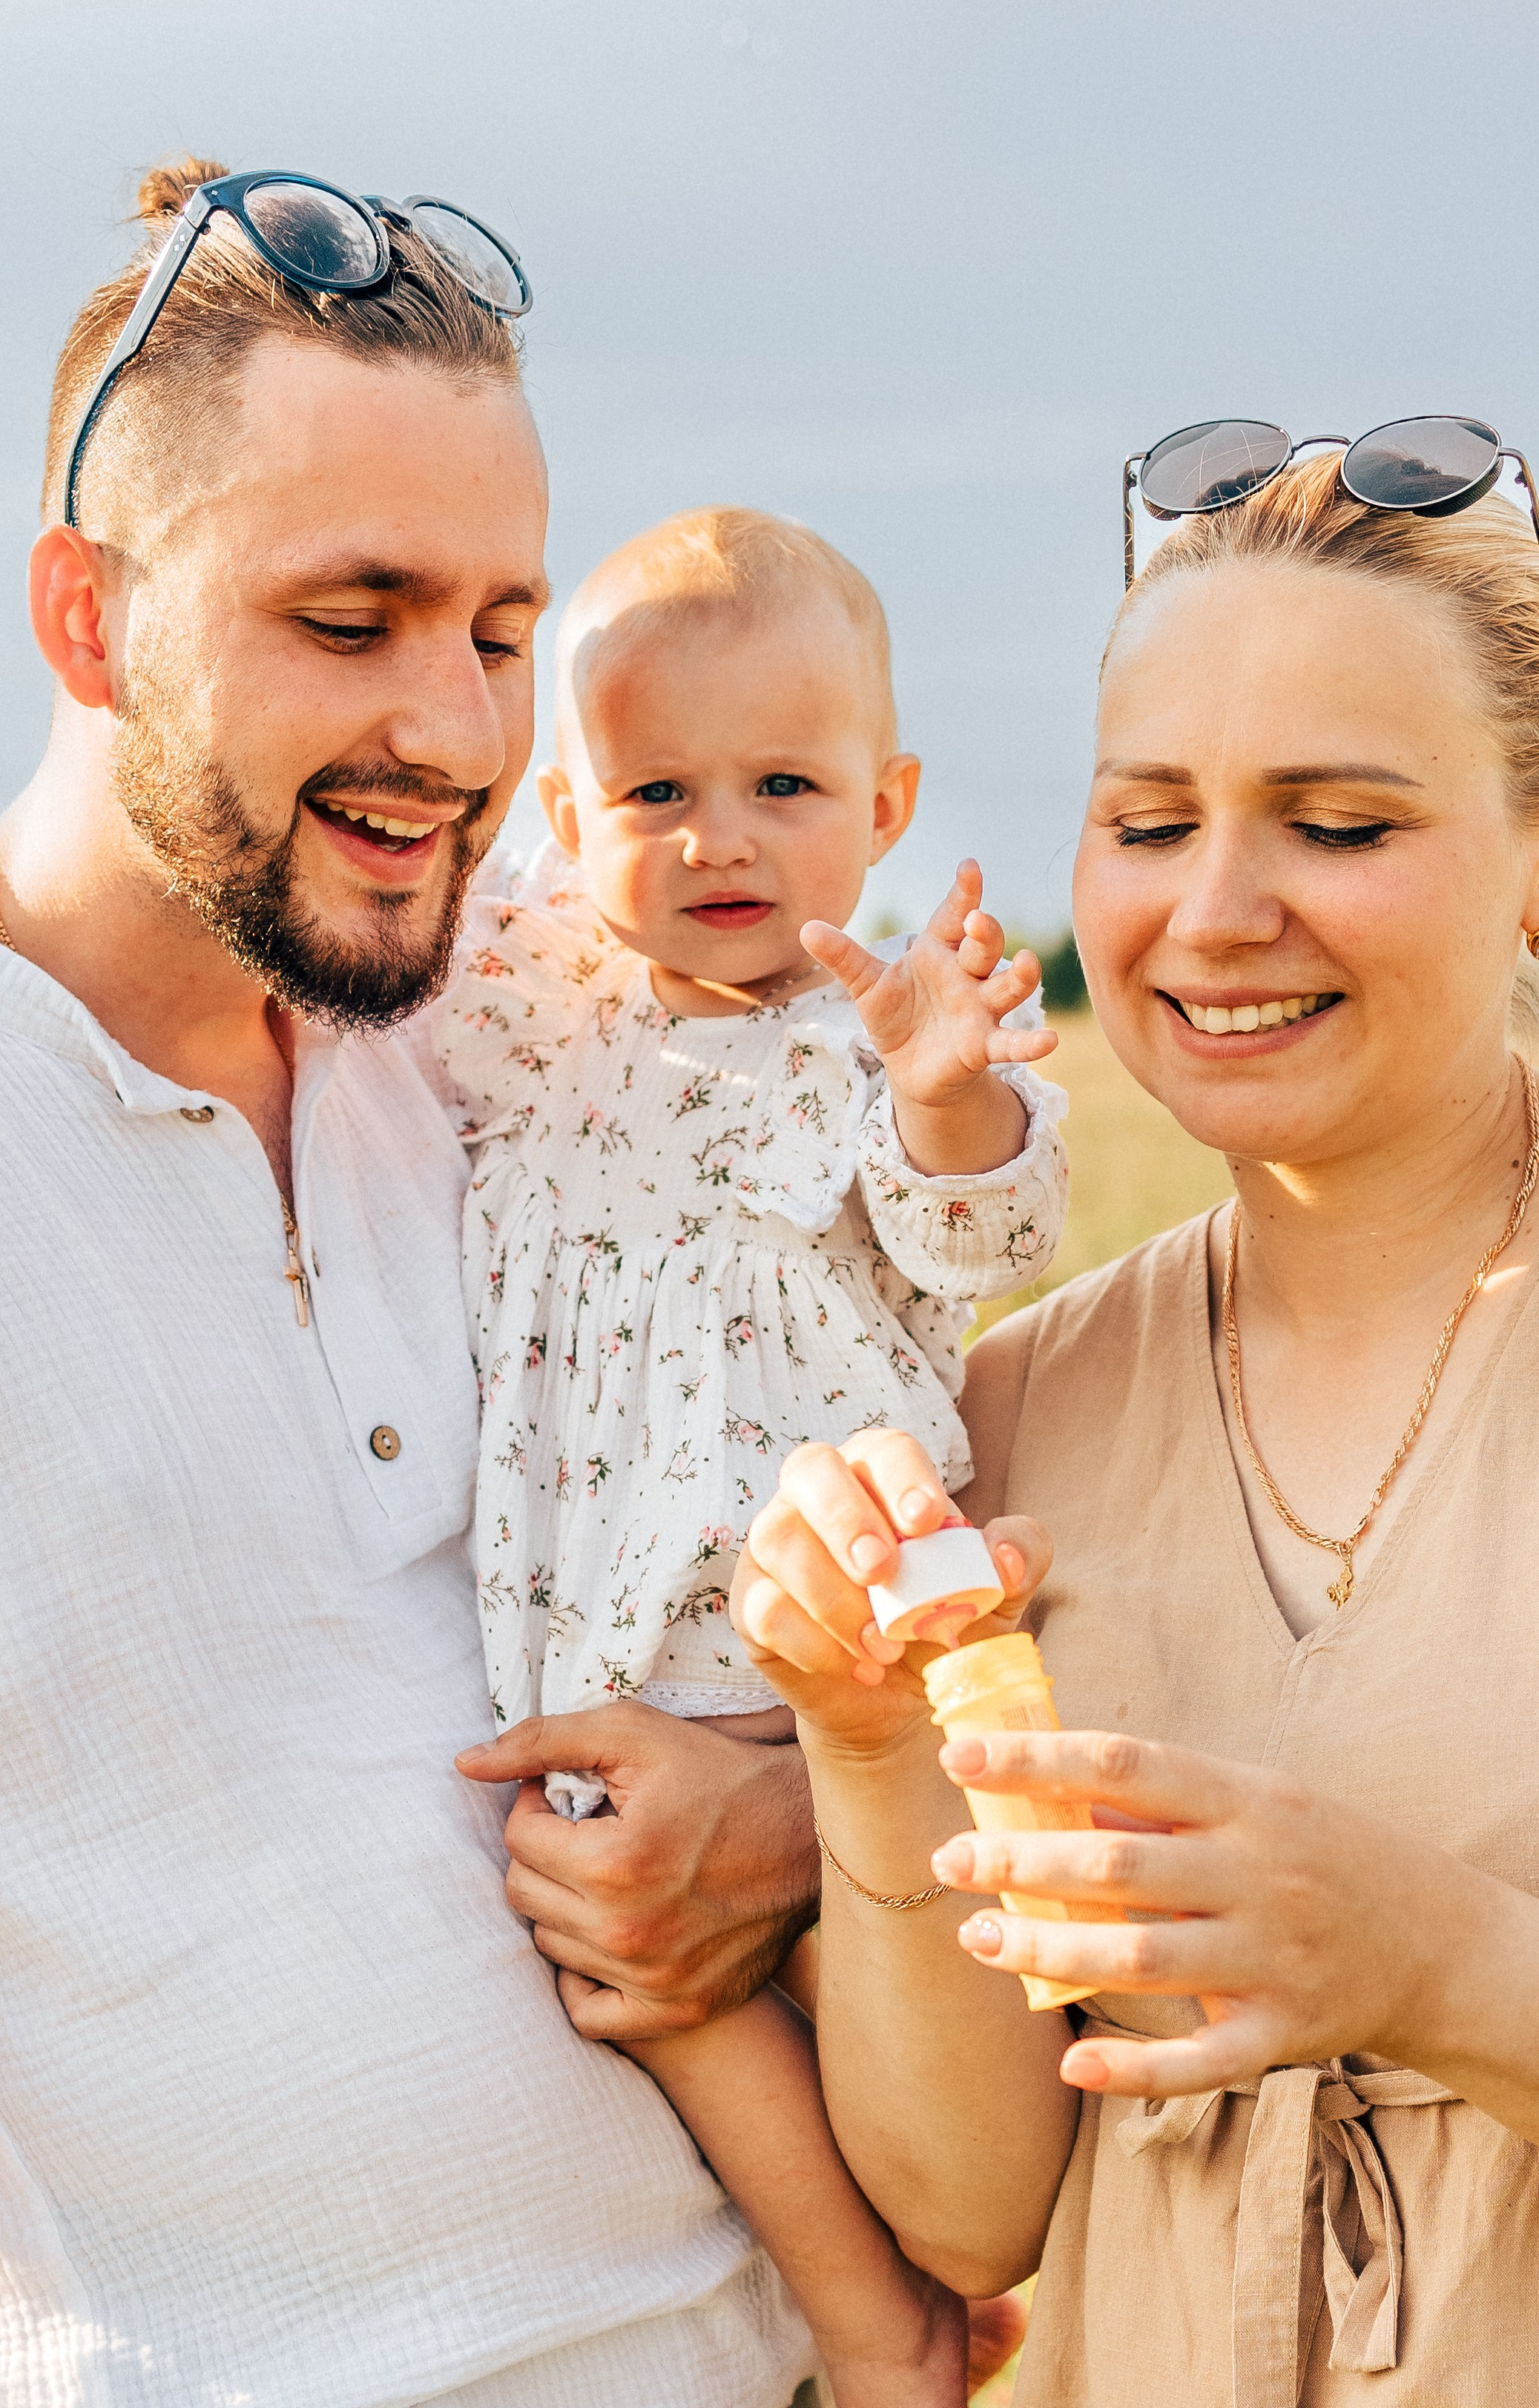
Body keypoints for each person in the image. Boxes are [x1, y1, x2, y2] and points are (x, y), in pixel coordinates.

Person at [0, 154, 820, 2407]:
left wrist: (793, 1821)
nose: (457, 737)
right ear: (89, 621)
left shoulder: (536, 1041)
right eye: (350, 622)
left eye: (495, 631)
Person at [727, 446, 1539, 2406]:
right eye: (1149, 822)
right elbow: (968, 2209)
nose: (1214, 912)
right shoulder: (1015, 1405)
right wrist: (863, 1748)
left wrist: (1442, 1967)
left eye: (1337, 824)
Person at [446, 505, 1067, 2403]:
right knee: (653, 1980)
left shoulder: (881, 1044)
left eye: (782, 785)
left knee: (890, 1987)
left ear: (884, 807)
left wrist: (952, 1094)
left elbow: (987, 1234)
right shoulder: (542, 1024)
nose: (718, 837)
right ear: (568, 819)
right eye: (655, 792)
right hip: (612, 1649)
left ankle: (955, 2277)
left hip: (837, 1626)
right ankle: (874, 2321)